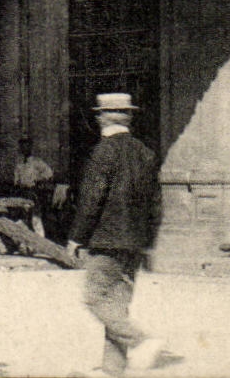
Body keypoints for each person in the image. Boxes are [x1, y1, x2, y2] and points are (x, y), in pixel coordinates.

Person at [67, 93, 165, 376]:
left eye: (98, 114)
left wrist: (76, 237)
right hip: (134, 243)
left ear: (102, 118)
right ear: (128, 117)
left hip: (106, 241)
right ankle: (113, 370)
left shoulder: (103, 151)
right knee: (117, 307)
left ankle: (142, 341)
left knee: (94, 298)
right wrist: (148, 243)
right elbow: (156, 203)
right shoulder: (145, 152)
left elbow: (91, 199)